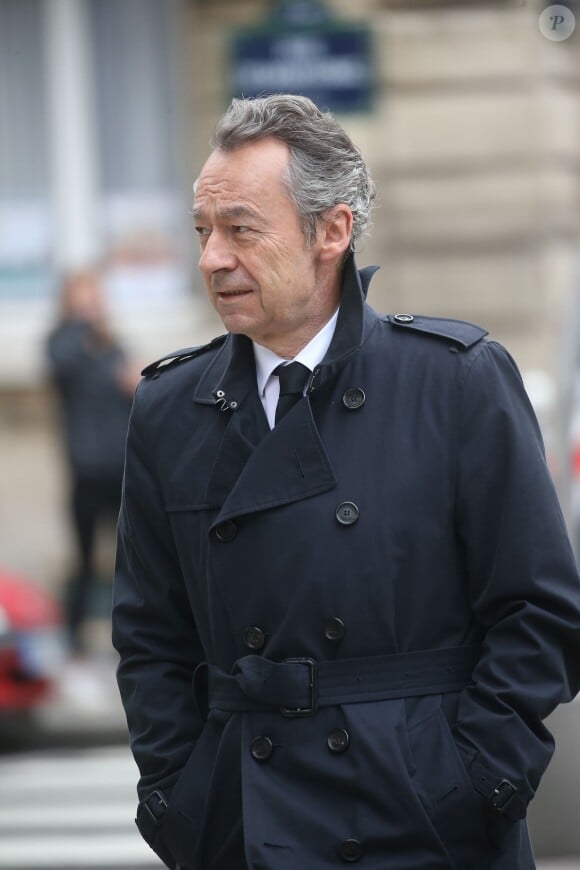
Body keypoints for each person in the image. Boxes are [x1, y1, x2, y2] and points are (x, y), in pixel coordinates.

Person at [112, 95, 580, 870]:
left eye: (240, 230)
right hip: (242, 823)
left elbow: (541, 611)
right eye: (202, 232)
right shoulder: (169, 408)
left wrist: (478, 781)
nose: (211, 259)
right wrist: (177, 795)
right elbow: (149, 639)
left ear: (331, 231)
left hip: (427, 824)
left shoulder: (454, 382)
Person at [47, 269, 137, 655]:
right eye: (82, 296)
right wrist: (81, 321)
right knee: (84, 559)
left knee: (130, 558)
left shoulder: (112, 345)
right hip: (86, 468)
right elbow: (63, 366)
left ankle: (131, 637)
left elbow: (129, 384)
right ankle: (73, 639)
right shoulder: (62, 342)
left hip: (120, 468)